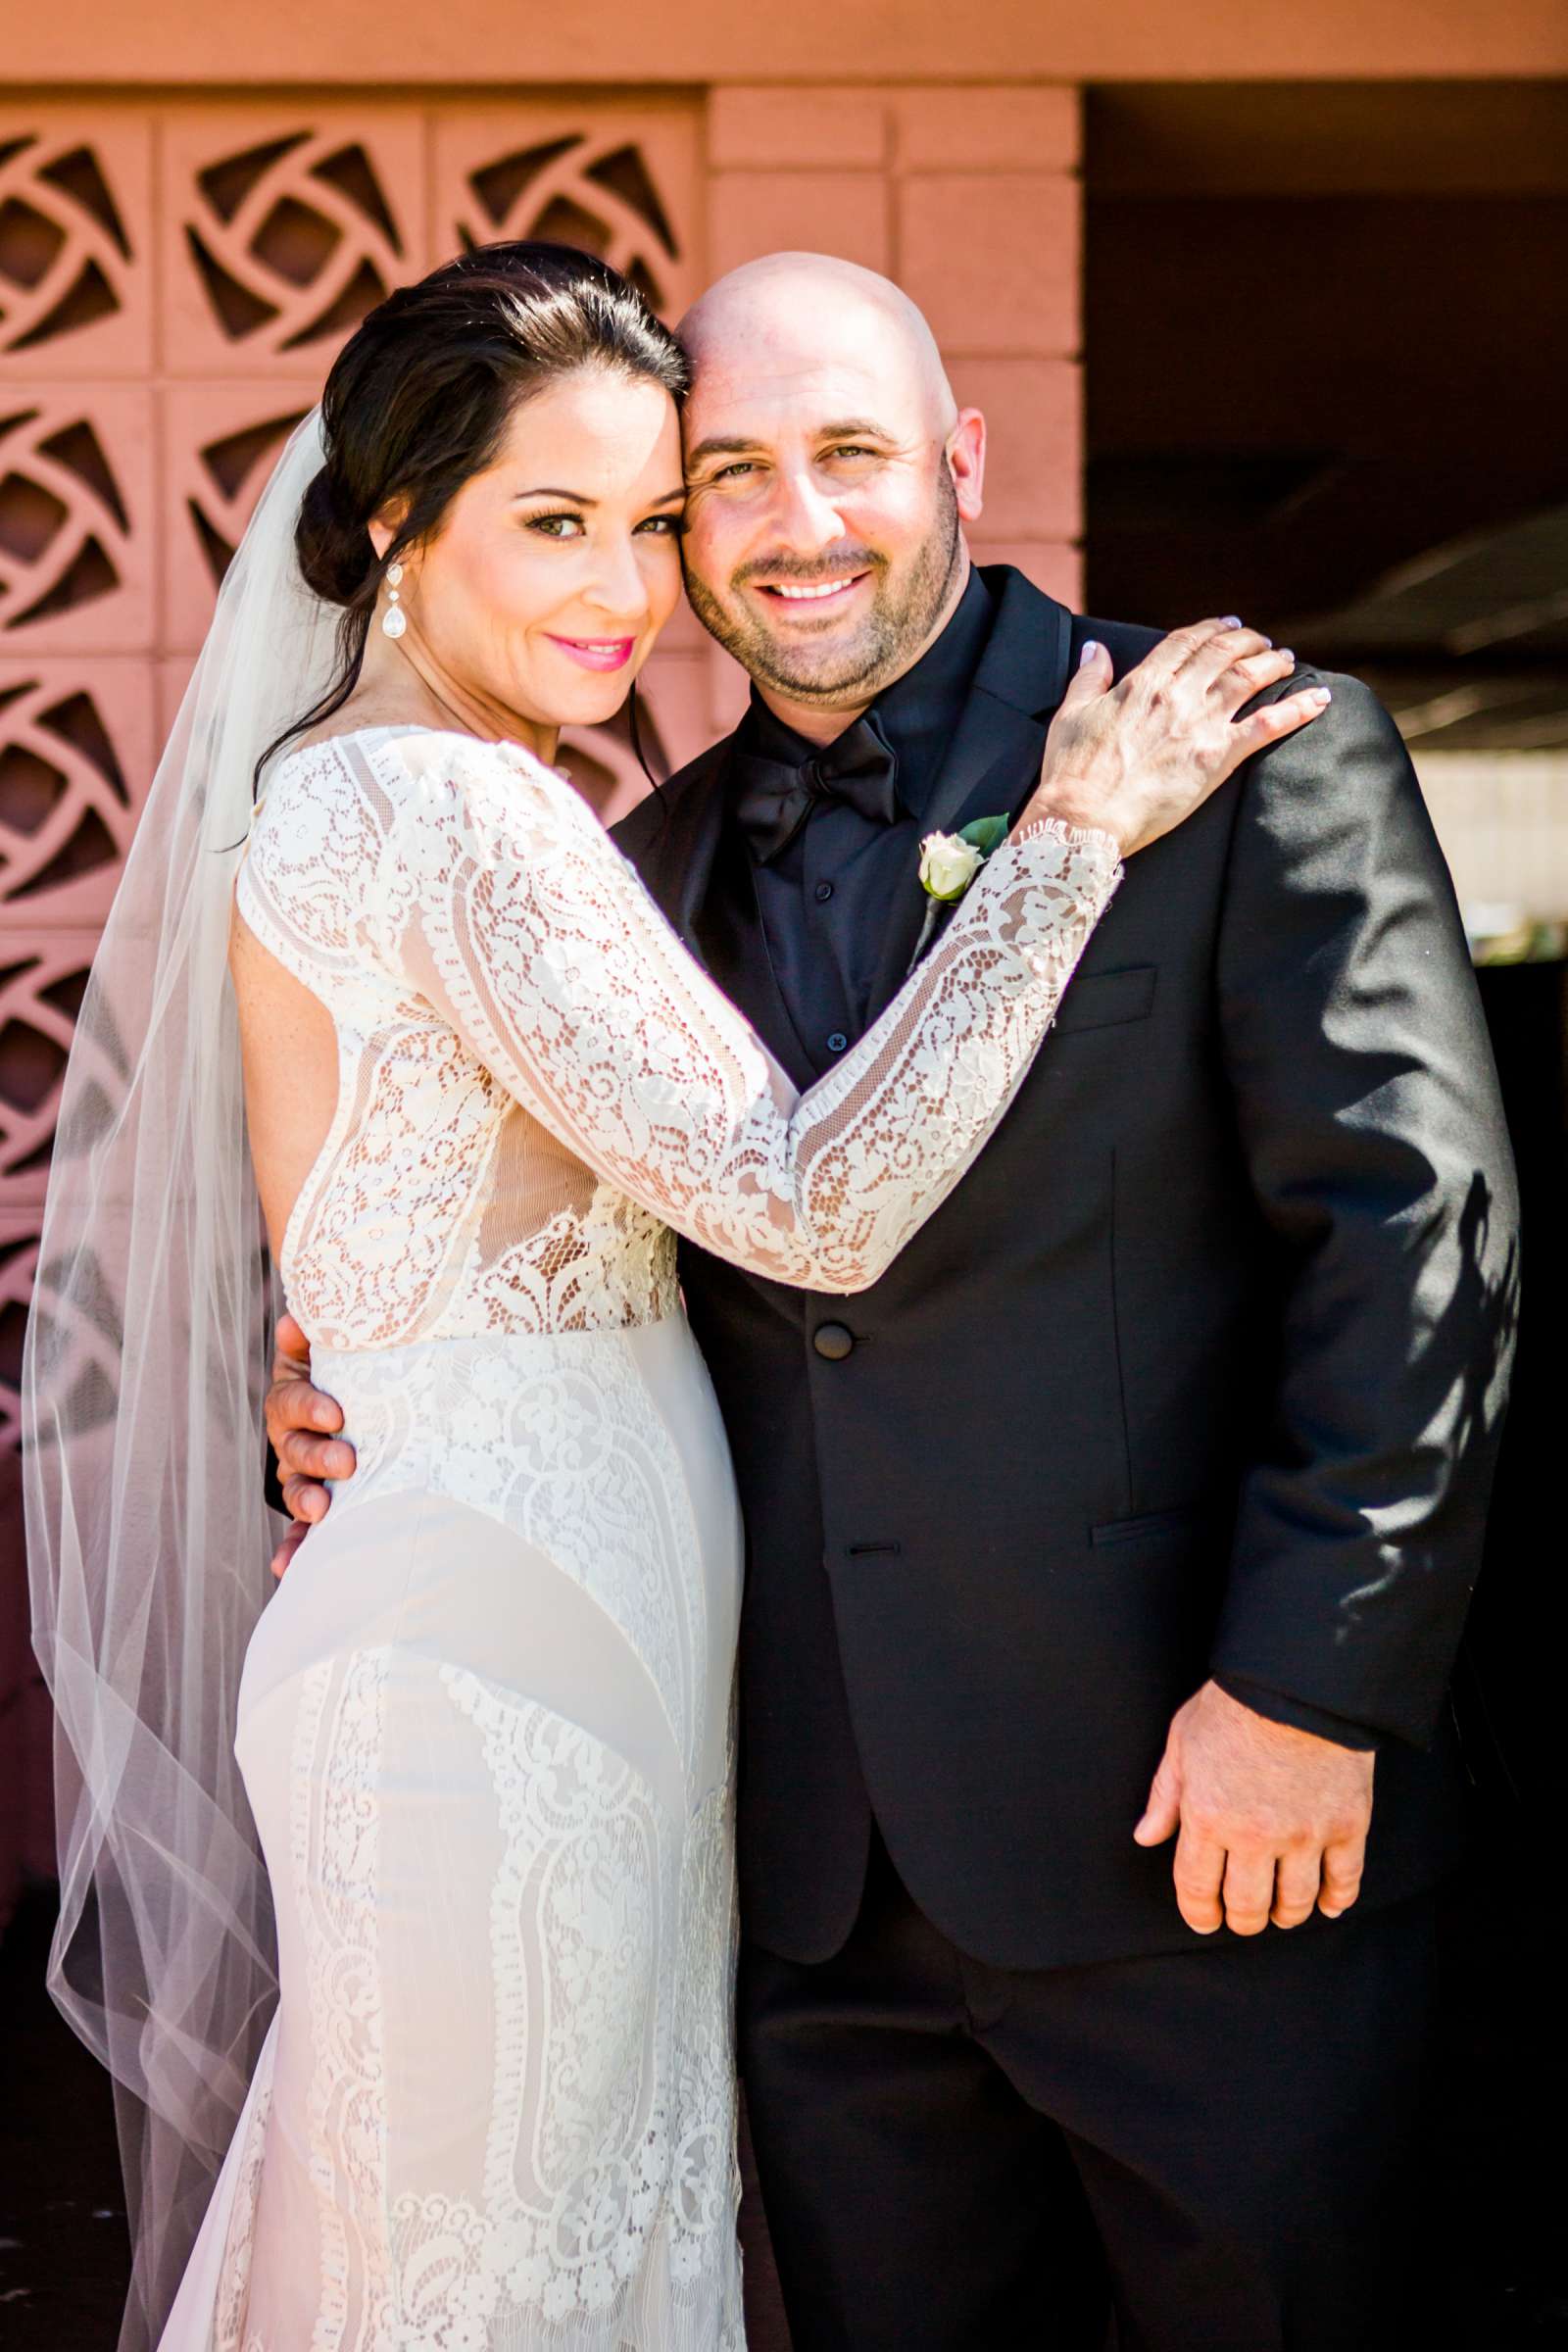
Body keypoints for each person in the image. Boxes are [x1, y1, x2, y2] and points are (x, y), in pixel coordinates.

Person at [23, 244, 1291, 2352]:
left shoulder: (407, 791)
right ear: (392, 526)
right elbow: (808, 1203)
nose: (622, 587)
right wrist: (1071, 833)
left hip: (537, 1663)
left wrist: (327, 1369)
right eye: (551, 520)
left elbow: (391, 1248)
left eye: (647, 518)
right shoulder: (445, 806)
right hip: (489, 1703)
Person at [270, 250, 1522, 2352]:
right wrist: (336, 1403)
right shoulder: (629, 872)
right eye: (723, 480)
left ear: (957, 460)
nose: (794, 524)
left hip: (1193, 1840)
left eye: (846, 453)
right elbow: (475, 1240)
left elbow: (1411, 1245)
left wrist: (1315, 1689)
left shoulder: (1227, 749)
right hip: (804, 1885)